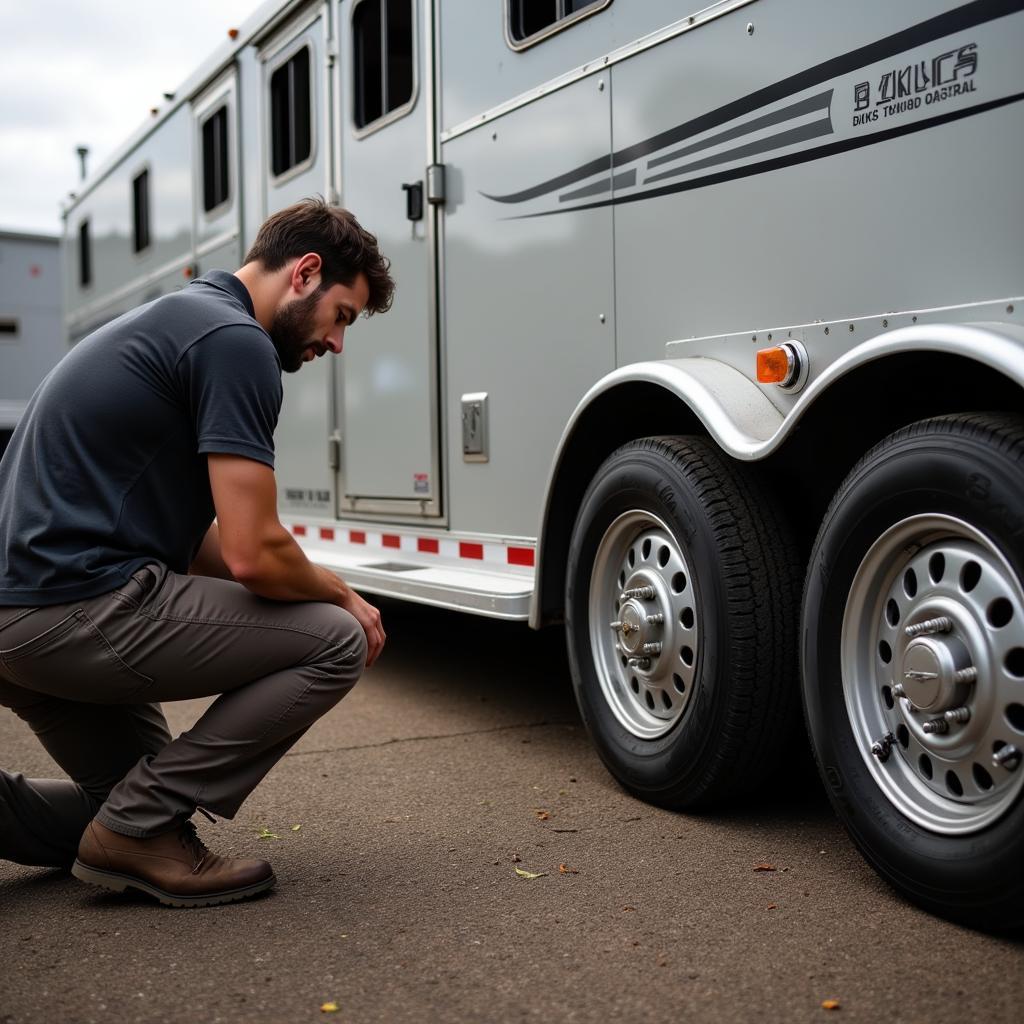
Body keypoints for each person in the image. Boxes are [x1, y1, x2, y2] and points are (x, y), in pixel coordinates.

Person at [0, 198, 394, 907]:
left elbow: (207, 544)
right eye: (344, 316)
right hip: (68, 605)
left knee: (130, 802)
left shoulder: (181, 320)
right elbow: (253, 552)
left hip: (23, 615)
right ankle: (135, 833)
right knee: (334, 640)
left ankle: (125, 831)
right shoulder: (235, 342)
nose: (337, 344)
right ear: (305, 272)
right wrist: (343, 594)